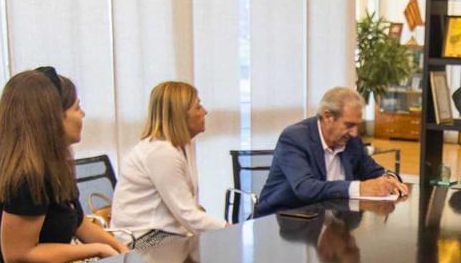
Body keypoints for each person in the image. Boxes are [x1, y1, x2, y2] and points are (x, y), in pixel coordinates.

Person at [0, 67, 128, 263]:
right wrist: (96, 249)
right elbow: (18, 254)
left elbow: (78, 221)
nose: (83, 115)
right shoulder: (29, 176)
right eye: (77, 108)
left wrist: (122, 250)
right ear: (53, 118)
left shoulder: (53, 167)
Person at [254, 87, 408, 215]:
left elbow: (373, 170)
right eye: (349, 125)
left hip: (328, 224)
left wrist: (390, 179)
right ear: (327, 116)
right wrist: (360, 188)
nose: (355, 133)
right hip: (282, 222)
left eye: (357, 126)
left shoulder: (352, 141)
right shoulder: (294, 138)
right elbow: (305, 188)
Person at [110, 81, 227, 249]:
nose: (205, 111)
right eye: (198, 107)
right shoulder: (161, 152)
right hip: (143, 240)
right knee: (214, 253)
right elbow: (187, 214)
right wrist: (228, 229)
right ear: (180, 115)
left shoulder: (175, 147)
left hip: (162, 233)